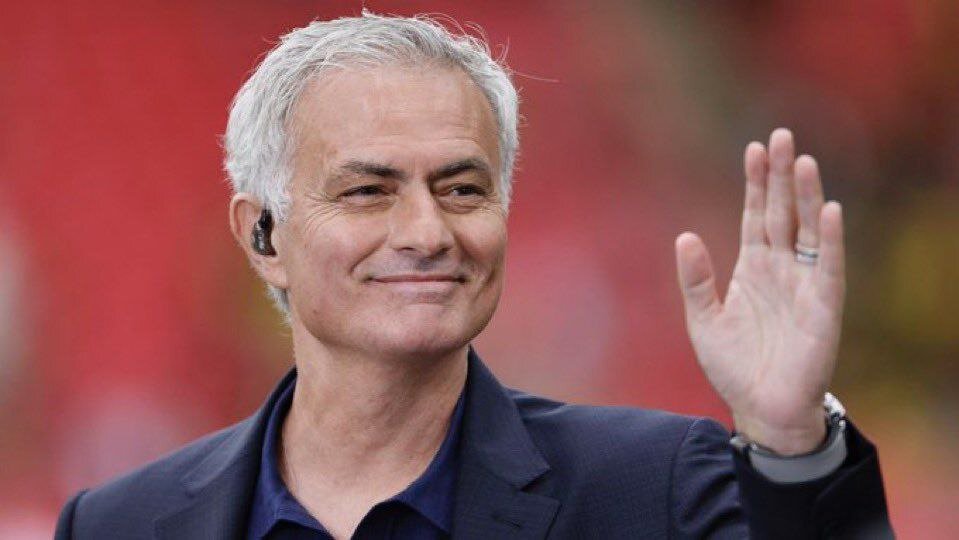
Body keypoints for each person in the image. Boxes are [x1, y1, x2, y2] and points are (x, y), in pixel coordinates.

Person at [54, 12, 892, 539]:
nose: (427, 233)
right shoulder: (119, 524)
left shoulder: (655, 488)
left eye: (461, 190)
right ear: (262, 236)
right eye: (367, 191)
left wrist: (790, 441)